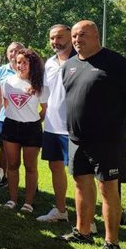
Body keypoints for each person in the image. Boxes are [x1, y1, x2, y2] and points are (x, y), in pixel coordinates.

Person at [60, 20, 126, 249]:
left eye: (83, 35)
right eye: (75, 36)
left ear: (96, 36)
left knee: (108, 189)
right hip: (77, 139)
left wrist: (118, 124)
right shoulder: (70, 65)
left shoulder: (117, 63)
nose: (77, 40)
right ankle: (83, 232)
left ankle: (112, 244)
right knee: (80, 184)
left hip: (107, 141)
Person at [37, 25, 77, 223]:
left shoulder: (82, 59)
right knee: (55, 168)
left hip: (75, 127)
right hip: (52, 127)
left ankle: (87, 220)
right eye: (52, 38)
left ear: (70, 36)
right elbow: (46, 93)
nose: (55, 41)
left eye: (60, 37)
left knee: (81, 175)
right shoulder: (50, 62)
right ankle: (61, 210)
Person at [1, 48, 48, 213]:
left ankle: (28, 202)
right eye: (18, 62)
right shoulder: (8, 82)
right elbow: (5, 102)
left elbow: (44, 109)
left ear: (32, 64)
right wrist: (15, 114)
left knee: (30, 167)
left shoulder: (39, 84)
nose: (20, 65)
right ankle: (12, 199)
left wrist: (32, 120)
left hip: (32, 129)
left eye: (24, 62)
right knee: (12, 165)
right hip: (11, 126)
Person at [0, 42, 25, 175]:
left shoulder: (30, 71)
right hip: (4, 117)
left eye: (18, 50)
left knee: (27, 151)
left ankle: (31, 180)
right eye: (11, 51)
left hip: (25, 118)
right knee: (4, 149)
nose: (14, 53)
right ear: (7, 54)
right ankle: (3, 177)